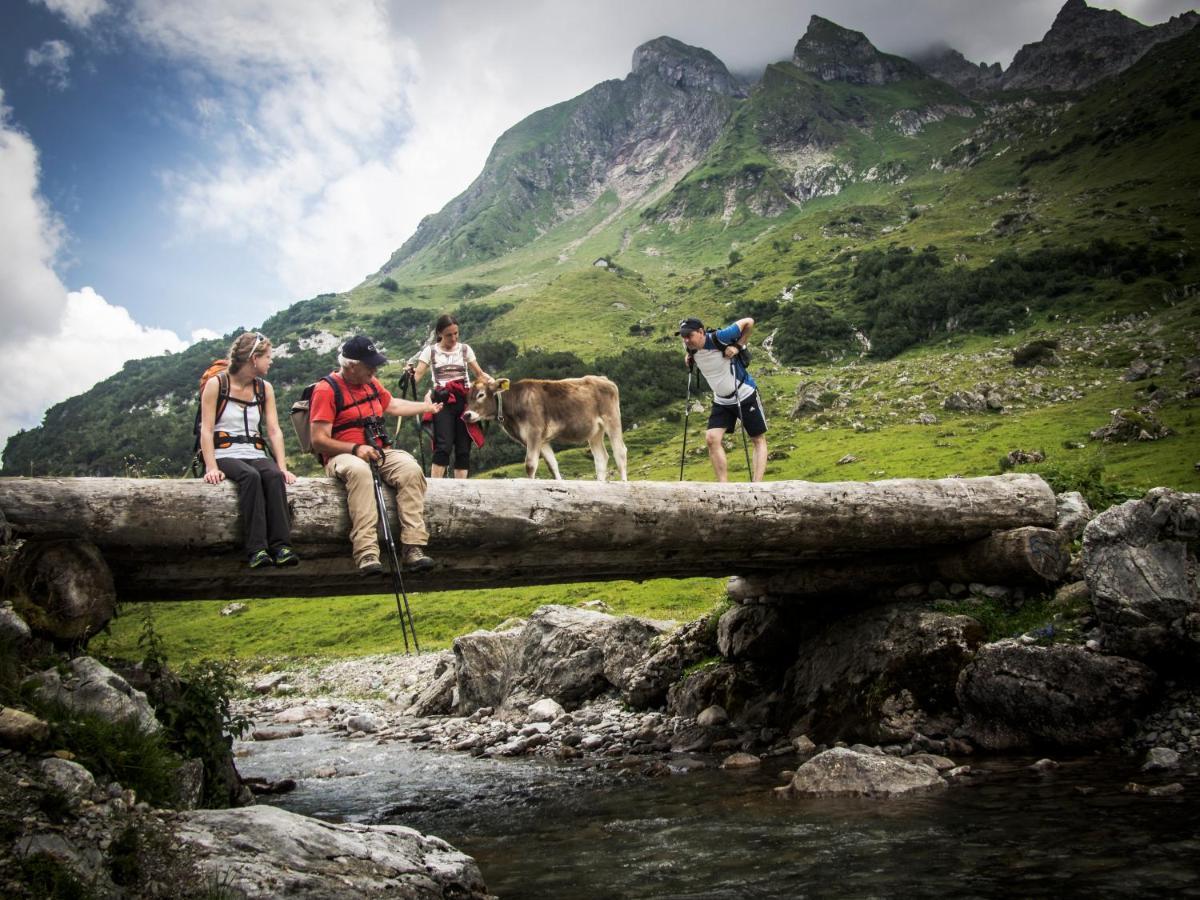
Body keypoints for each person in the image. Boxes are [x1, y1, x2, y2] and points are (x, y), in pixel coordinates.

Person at [309, 335, 442, 575]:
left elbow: (392, 406)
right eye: (369, 365)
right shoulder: (326, 390)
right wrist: (354, 449)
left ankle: (413, 547)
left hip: (378, 450)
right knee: (360, 473)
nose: (374, 368)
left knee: (411, 469)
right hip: (343, 455)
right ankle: (367, 553)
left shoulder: (371, 383)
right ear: (351, 365)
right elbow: (318, 440)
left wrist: (426, 408)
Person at [199, 331, 299, 568]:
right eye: (267, 357)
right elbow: (206, 429)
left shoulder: (265, 389)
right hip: (224, 454)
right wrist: (211, 466)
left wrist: (282, 467)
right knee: (250, 477)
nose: (270, 361)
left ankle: (282, 546)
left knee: (273, 476)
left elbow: (274, 430)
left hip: (254, 453)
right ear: (254, 358)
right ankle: (257, 550)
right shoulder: (217, 385)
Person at [676, 316, 768, 482]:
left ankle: (757, 486)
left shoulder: (721, 337)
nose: (686, 339)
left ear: (701, 332)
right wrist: (688, 358)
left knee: (757, 438)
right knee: (712, 439)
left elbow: (749, 321)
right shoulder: (690, 347)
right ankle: (724, 488)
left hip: (744, 394)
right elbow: (697, 356)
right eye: (683, 336)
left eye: (689, 335)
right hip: (721, 400)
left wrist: (738, 346)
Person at [406, 314, 492, 479]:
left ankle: (461, 489)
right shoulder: (430, 351)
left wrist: (493, 384)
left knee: (463, 448)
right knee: (443, 446)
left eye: (456, 333)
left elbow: (479, 373)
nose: (453, 338)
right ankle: (435, 488)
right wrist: (408, 376)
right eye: (449, 335)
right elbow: (416, 377)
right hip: (442, 400)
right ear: (439, 334)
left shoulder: (465, 349)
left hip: (465, 400)